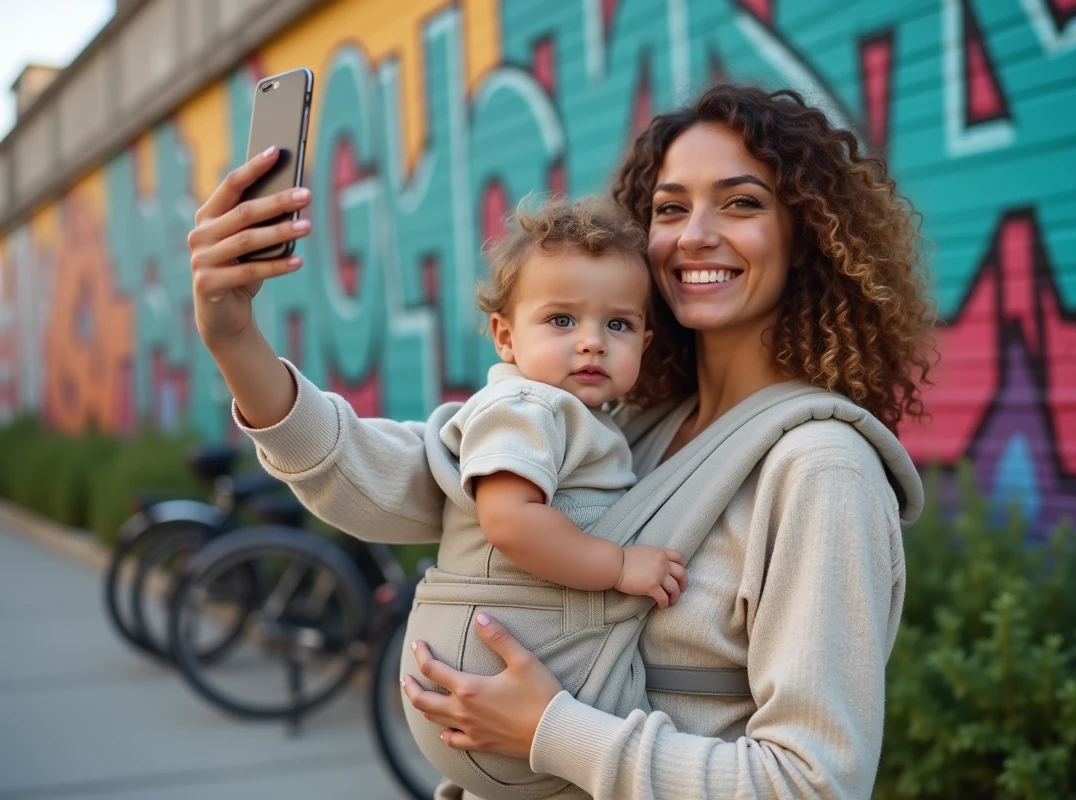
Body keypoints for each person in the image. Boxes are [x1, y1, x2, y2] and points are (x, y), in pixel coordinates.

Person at [187, 82, 936, 799]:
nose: (695, 235)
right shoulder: (620, 424)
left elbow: (813, 785)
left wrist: (553, 730)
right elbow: (382, 474)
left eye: (741, 203)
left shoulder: (820, 470)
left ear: (806, 234)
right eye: (671, 209)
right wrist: (234, 339)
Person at [396, 194, 690, 794]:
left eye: (618, 324)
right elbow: (509, 521)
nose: (592, 342)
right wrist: (619, 564)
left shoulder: (584, 417)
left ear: (645, 340)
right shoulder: (528, 406)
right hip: (486, 667)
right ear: (505, 337)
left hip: (494, 680)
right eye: (562, 320)